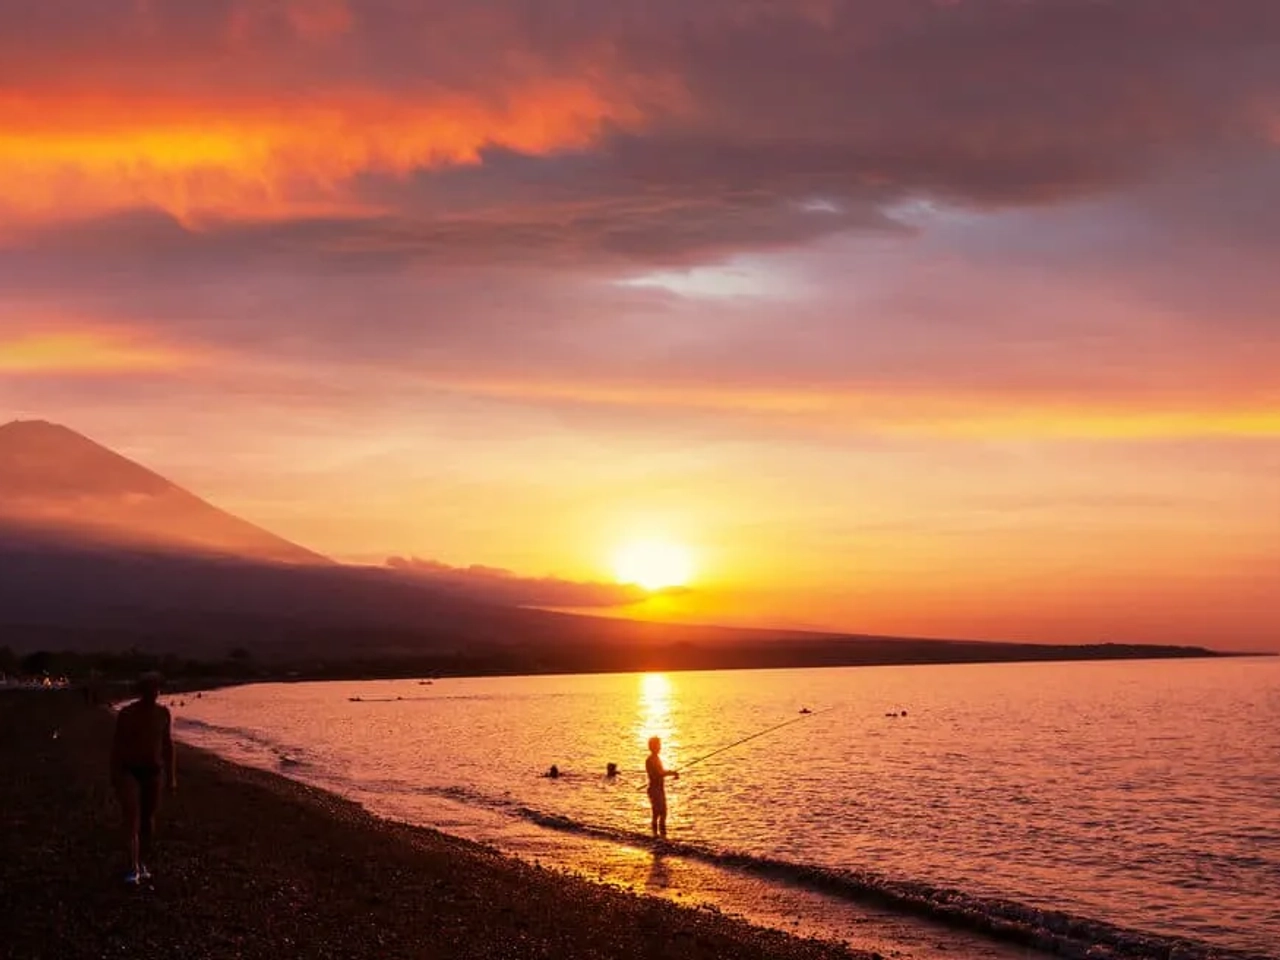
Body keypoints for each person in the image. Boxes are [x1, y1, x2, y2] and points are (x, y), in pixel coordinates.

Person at [110, 673, 176, 884]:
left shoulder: (163, 713)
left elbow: (168, 745)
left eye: (156, 688)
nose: (154, 692)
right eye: (149, 688)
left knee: (147, 821)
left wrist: (172, 776)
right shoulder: (127, 714)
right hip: (129, 770)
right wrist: (115, 772)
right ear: (141, 690)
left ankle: (142, 862)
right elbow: (117, 745)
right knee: (132, 819)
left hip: (153, 772)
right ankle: (132, 866)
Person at [645, 737, 678, 839]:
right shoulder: (651, 759)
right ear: (652, 747)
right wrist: (672, 773)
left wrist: (670, 773)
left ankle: (660, 836)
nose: (659, 747)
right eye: (657, 745)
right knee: (659, 813)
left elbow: (660, 772)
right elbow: (660, 773)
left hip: (658, 789)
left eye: (659, 745)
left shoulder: (656, 758)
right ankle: (657, 836)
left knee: (661, 813)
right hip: (655, 790)